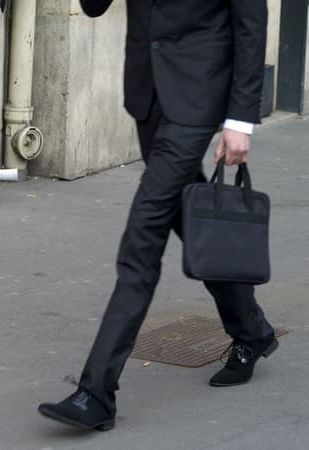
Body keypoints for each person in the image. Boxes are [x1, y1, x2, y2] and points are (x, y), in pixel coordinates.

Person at [38, 0, 277, 431]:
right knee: (185, 213)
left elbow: (251, 22)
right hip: (149, 89)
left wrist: (241, 119)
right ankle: (252, 330)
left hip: (199, 91)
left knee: (142, 237)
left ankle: (96, 392)